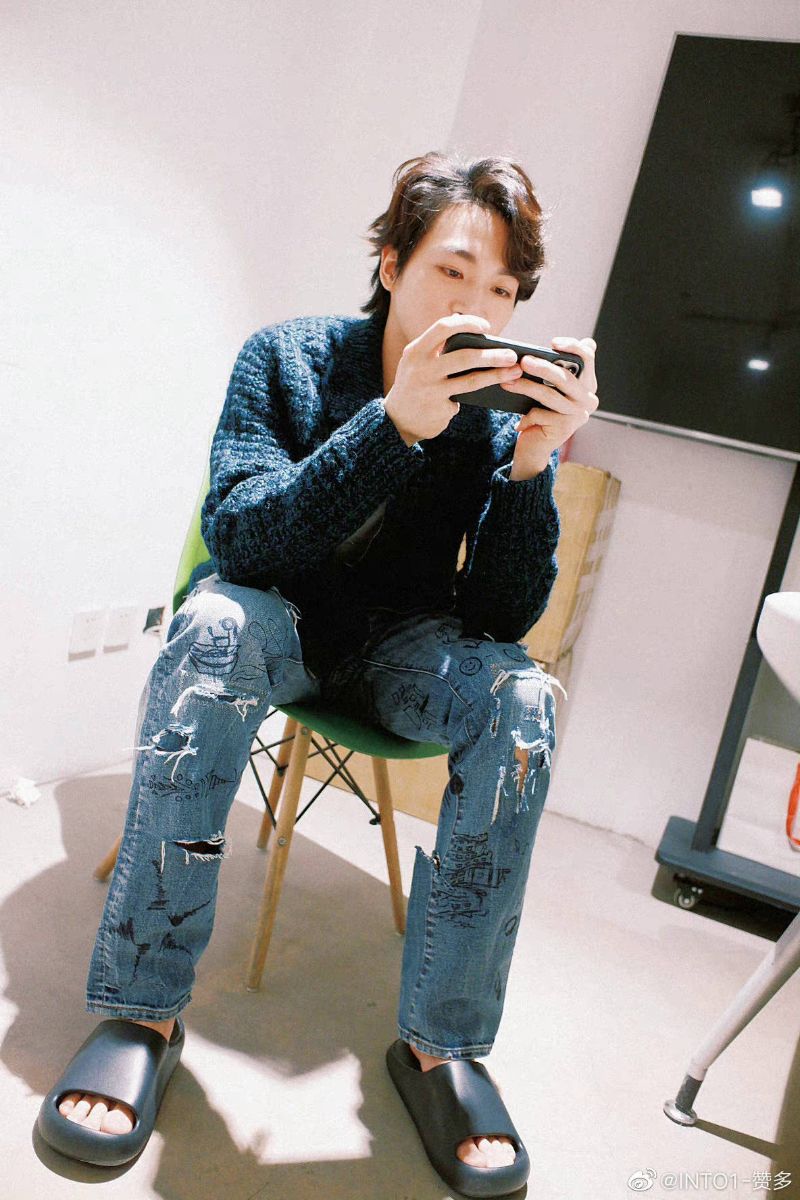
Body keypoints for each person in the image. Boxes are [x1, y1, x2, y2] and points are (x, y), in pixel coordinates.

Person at [37, 150, 598, 1194]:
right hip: (275, 623)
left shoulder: (497, 417)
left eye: (502, 290)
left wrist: (533, 467)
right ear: (390, 265)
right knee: (212, 627)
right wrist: (392, 427)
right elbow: (243, 539)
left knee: (520, 696)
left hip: (400, 651)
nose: (475, 307)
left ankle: (442, 1049)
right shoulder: (286, 359)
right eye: (451, 271)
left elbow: (497, 619)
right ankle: (140, 1014)